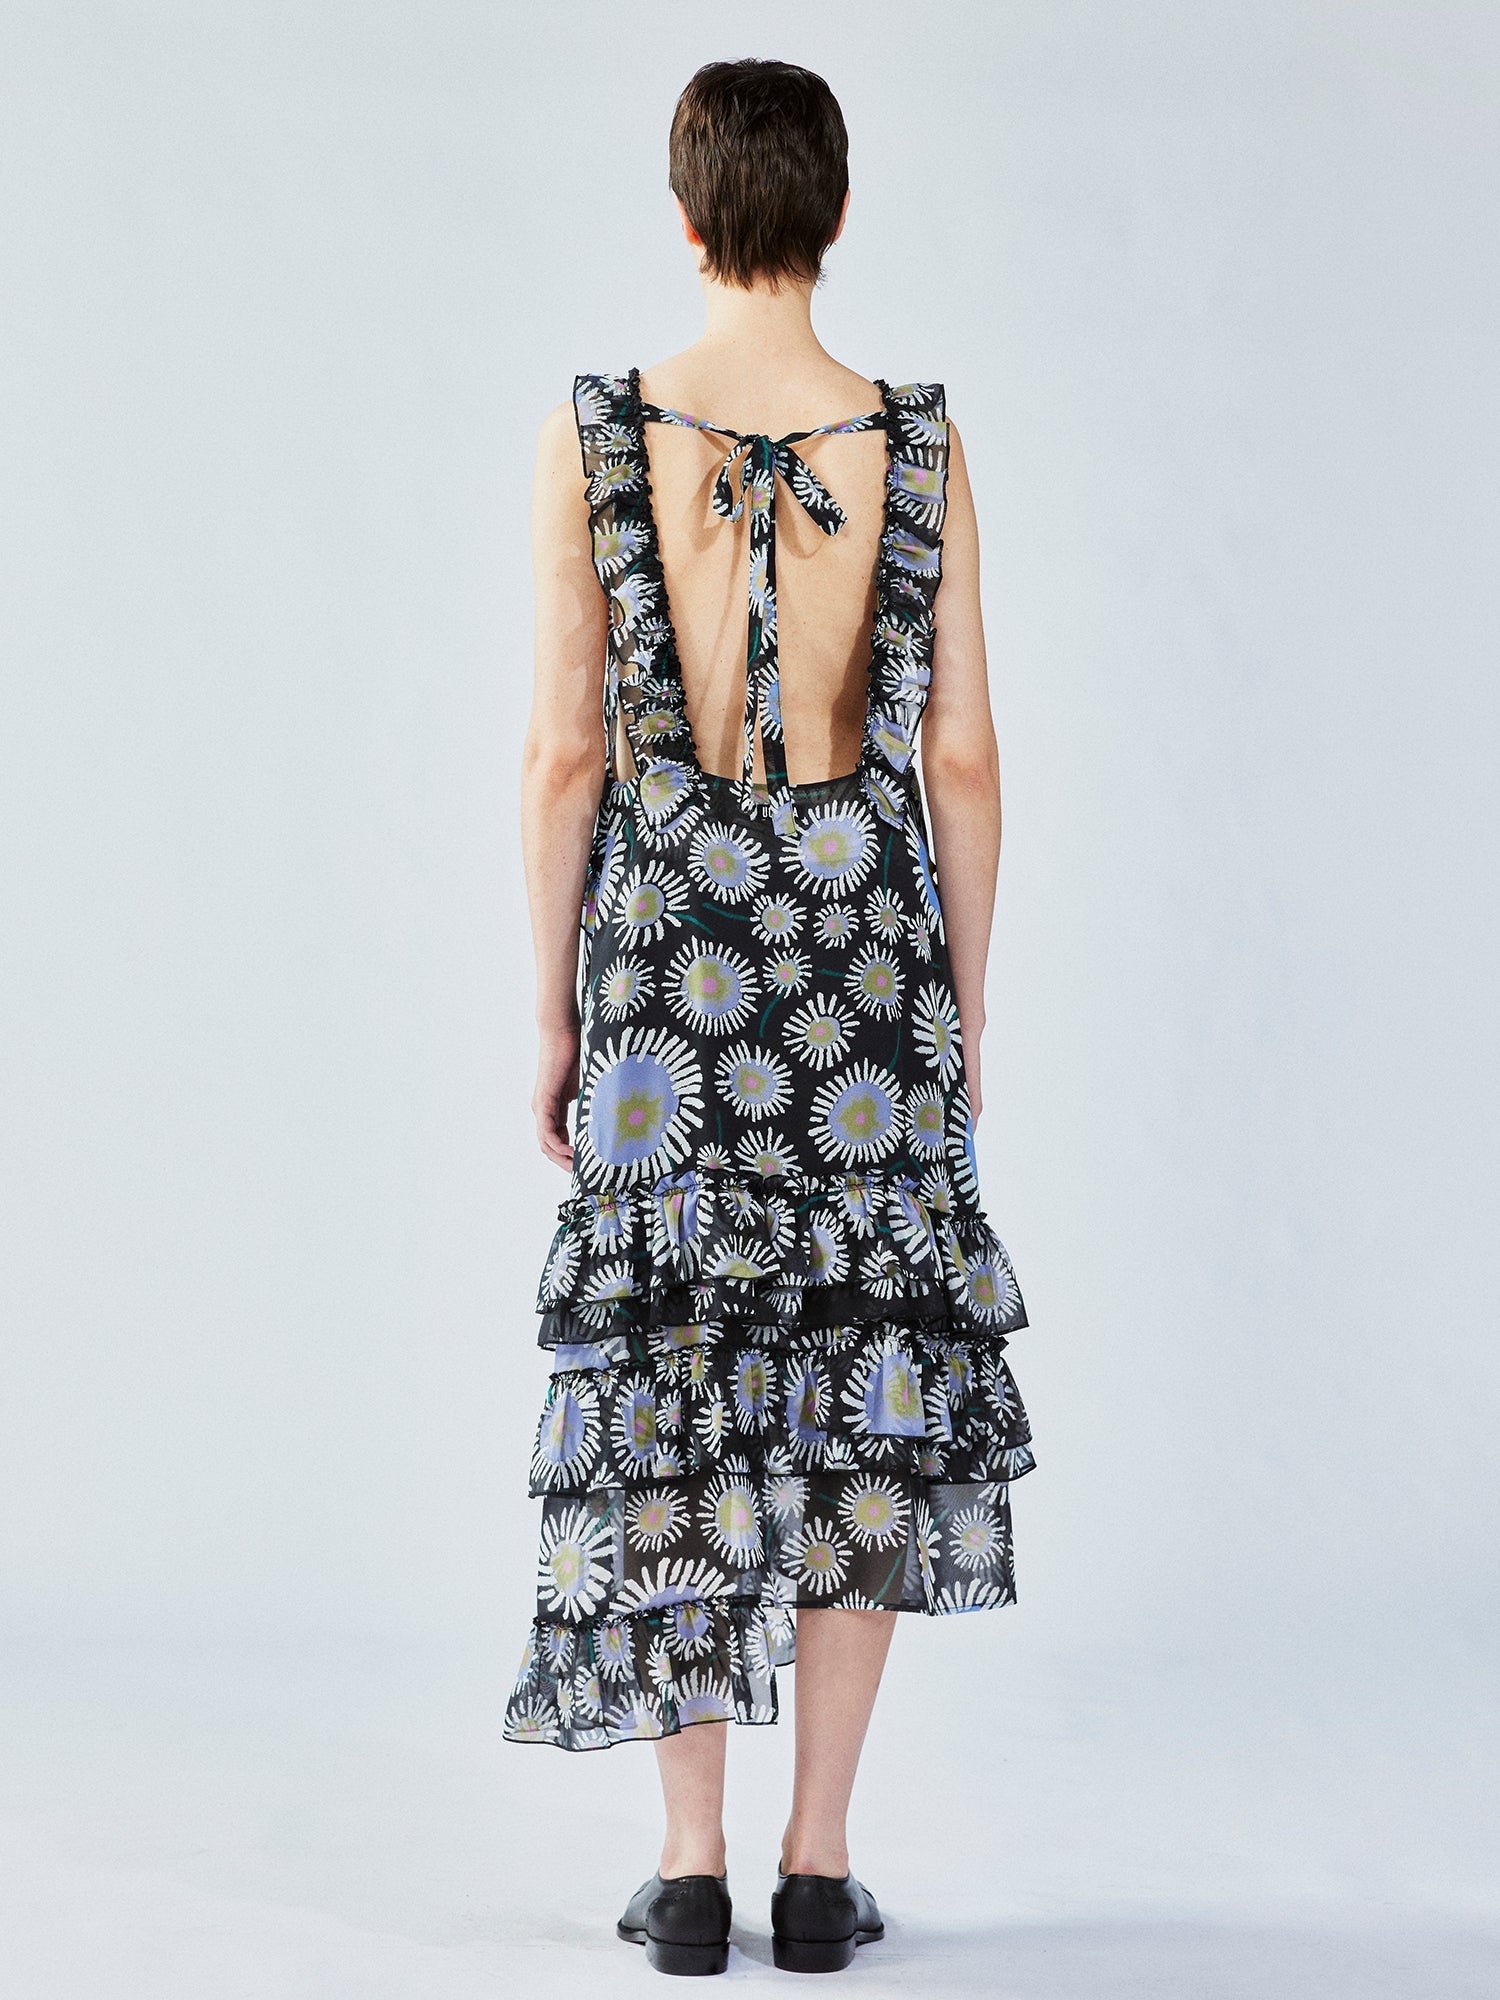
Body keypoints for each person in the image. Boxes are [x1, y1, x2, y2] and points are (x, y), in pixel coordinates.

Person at [506, 57, 1035, 1976]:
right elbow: (960, 757)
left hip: (668, 971)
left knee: (670, 1382)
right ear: (835, 214)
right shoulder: (919, 444)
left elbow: (570, 752)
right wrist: (964, 1005)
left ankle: (690, 1867)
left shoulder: (596, 436)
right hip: (863, 966)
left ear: (686, 217)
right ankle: (819, 1869)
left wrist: (554, 1015)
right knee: (862, 1375)